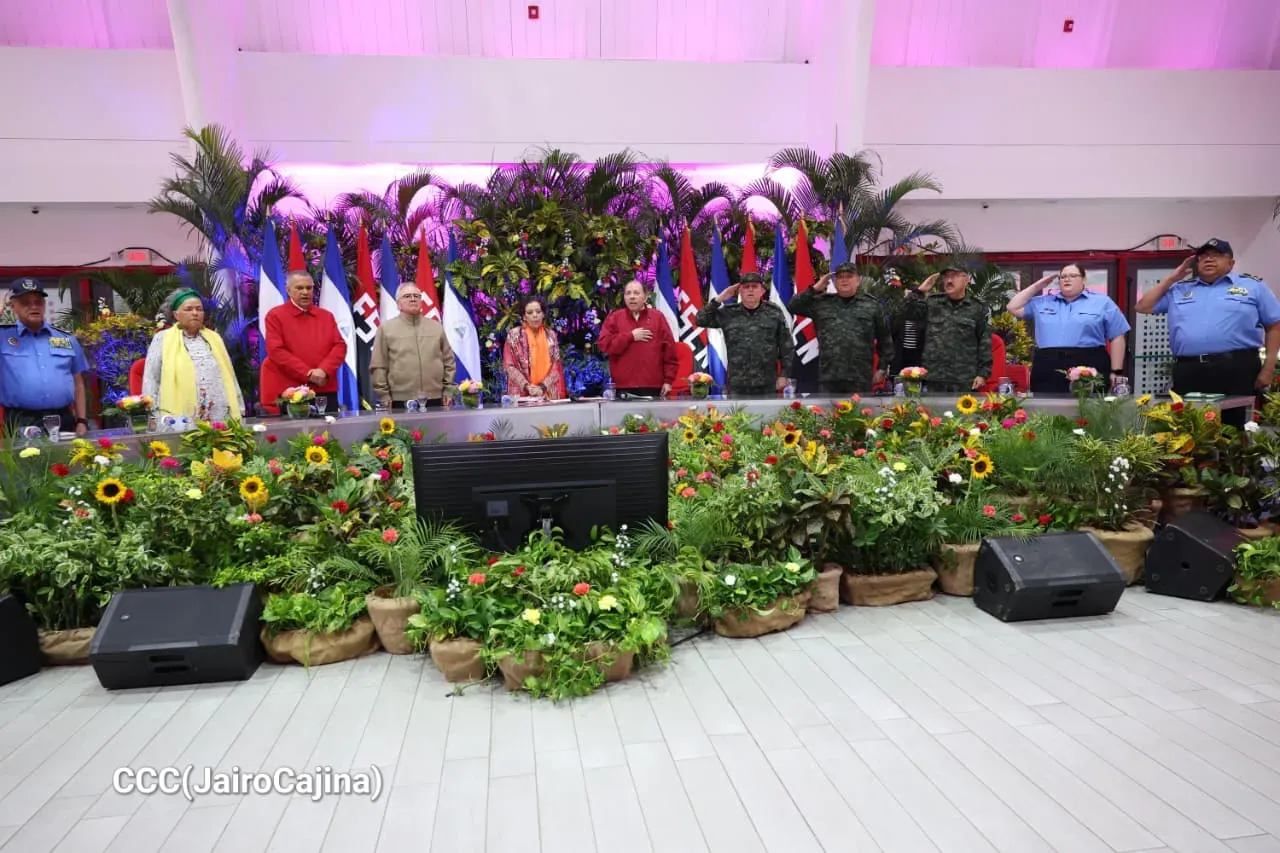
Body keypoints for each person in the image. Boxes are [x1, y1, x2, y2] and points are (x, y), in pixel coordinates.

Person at [1135, 238, 1280, 428]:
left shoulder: (1253, 287)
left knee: (1234, 428)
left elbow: (1274, 326)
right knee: (1187, 428)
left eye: (1216, 255)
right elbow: (1143, 306)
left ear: (1231, 263)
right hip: (1190, 369)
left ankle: (1232, 459)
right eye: (1203, 256)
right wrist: (1172, 279)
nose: (1208, 260)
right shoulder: (1180, 289)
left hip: (1237, 368)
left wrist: (1268, 369)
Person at [1007, 263, 1130, 394]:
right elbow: (1012, 307)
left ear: (1083, 279)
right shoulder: (1043, 301)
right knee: (1047, 409)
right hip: (1048, 363)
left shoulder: (1102, 302)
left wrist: (1116, 372)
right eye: (1063, 276)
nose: (1067, 279)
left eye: (1072, 275)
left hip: (1090, 362)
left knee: (1090, 409)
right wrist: (1038, 286)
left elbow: (1117, 336)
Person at [0, 278, 90, 436]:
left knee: (65, 460)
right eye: (25, 302)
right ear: (13, 307)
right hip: (21, 420)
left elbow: (78, 382)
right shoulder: (3, 337)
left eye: (38, 302)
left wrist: (81, 420)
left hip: (63, 418)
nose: (33, 307)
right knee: (25, 461)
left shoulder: (66, 339)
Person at [787, 262, 892, 394]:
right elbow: (792, 306)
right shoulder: (822, 303)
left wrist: (882, 368)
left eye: (849, 276)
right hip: (829, 377)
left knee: (860, 413)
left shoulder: (872, 305)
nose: (844, 280)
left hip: (860, 377)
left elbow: (885, 340)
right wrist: (815, 289)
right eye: (840, 277)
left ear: (858, 280)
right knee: (827, 414)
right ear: (835, 282)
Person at [141, 288, 244, 422]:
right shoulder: (163, 339)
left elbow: (229, 374)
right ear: (176, 315)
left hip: (217, 411)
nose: (195, 313)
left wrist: (239, 406)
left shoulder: (214, 338)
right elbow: (151, 378)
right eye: (188, 309)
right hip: (180, 414)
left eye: (199, 309)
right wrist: (152, 412)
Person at [694, 272, 792, 396]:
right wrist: (720, 299)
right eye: (746, 287)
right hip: (737, 384)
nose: (750, 290)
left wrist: (784, 375)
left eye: (754, 286)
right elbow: (699, 320)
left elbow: (786, 346)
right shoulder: (728, 313)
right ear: (740, 290)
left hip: (767, 383)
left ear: (762, 290)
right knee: (737, 415)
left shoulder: (774, 313)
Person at [263, 270, 348, 413]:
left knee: (329, 433)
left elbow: (339, 346)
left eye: (309, 288)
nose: (305, 292)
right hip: (291, 391)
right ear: (288, 290)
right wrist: (308, 374)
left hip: (324, 388)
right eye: (299, 288)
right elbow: (276, 351)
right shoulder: (275, 316)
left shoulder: (326, 316)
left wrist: (324, 370)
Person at [898, 268, 992, 394]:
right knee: (933, 413)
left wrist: (983, 373)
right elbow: (904, 312)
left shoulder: (977, 308)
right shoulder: (932, 303)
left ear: (966, 280)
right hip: (934, 376)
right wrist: (919, 291)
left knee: (964, 413)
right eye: (946, 277)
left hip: (964, 378)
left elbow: (984, 342)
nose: (949, 280)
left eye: (954, 276)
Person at [370, 283, 456, 410]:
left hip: (436, 398)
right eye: (407, 296)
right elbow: (378, 365)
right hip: (399, 400)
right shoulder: (386, 329)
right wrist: (383, 395)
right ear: (398, 304)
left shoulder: (436, 327)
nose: (413, 299)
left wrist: (449, 390)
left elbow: (449, 361)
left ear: (421, 301)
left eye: (417, 296)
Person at [598, 280, 677, 398]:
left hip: (653, 386)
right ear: (624, 298)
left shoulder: (657, 317)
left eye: (636, 293)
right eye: (628, 293)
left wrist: (668, 380)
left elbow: (669, 351)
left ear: (645, 298)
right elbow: (605, 345)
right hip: (624, 386)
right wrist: (630, 336)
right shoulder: (615, 318)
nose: (632, 297)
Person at [503, 295, 565, 400]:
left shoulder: (551, 335)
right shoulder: (514, 335)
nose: (535, 315)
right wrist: (527, 386)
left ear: (543, 314)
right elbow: (509, 366)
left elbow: (556, 365)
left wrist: (542, 387)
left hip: (547, 392)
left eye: (538, 312)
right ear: (524, 316)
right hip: (522, 393)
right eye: (530, 313)